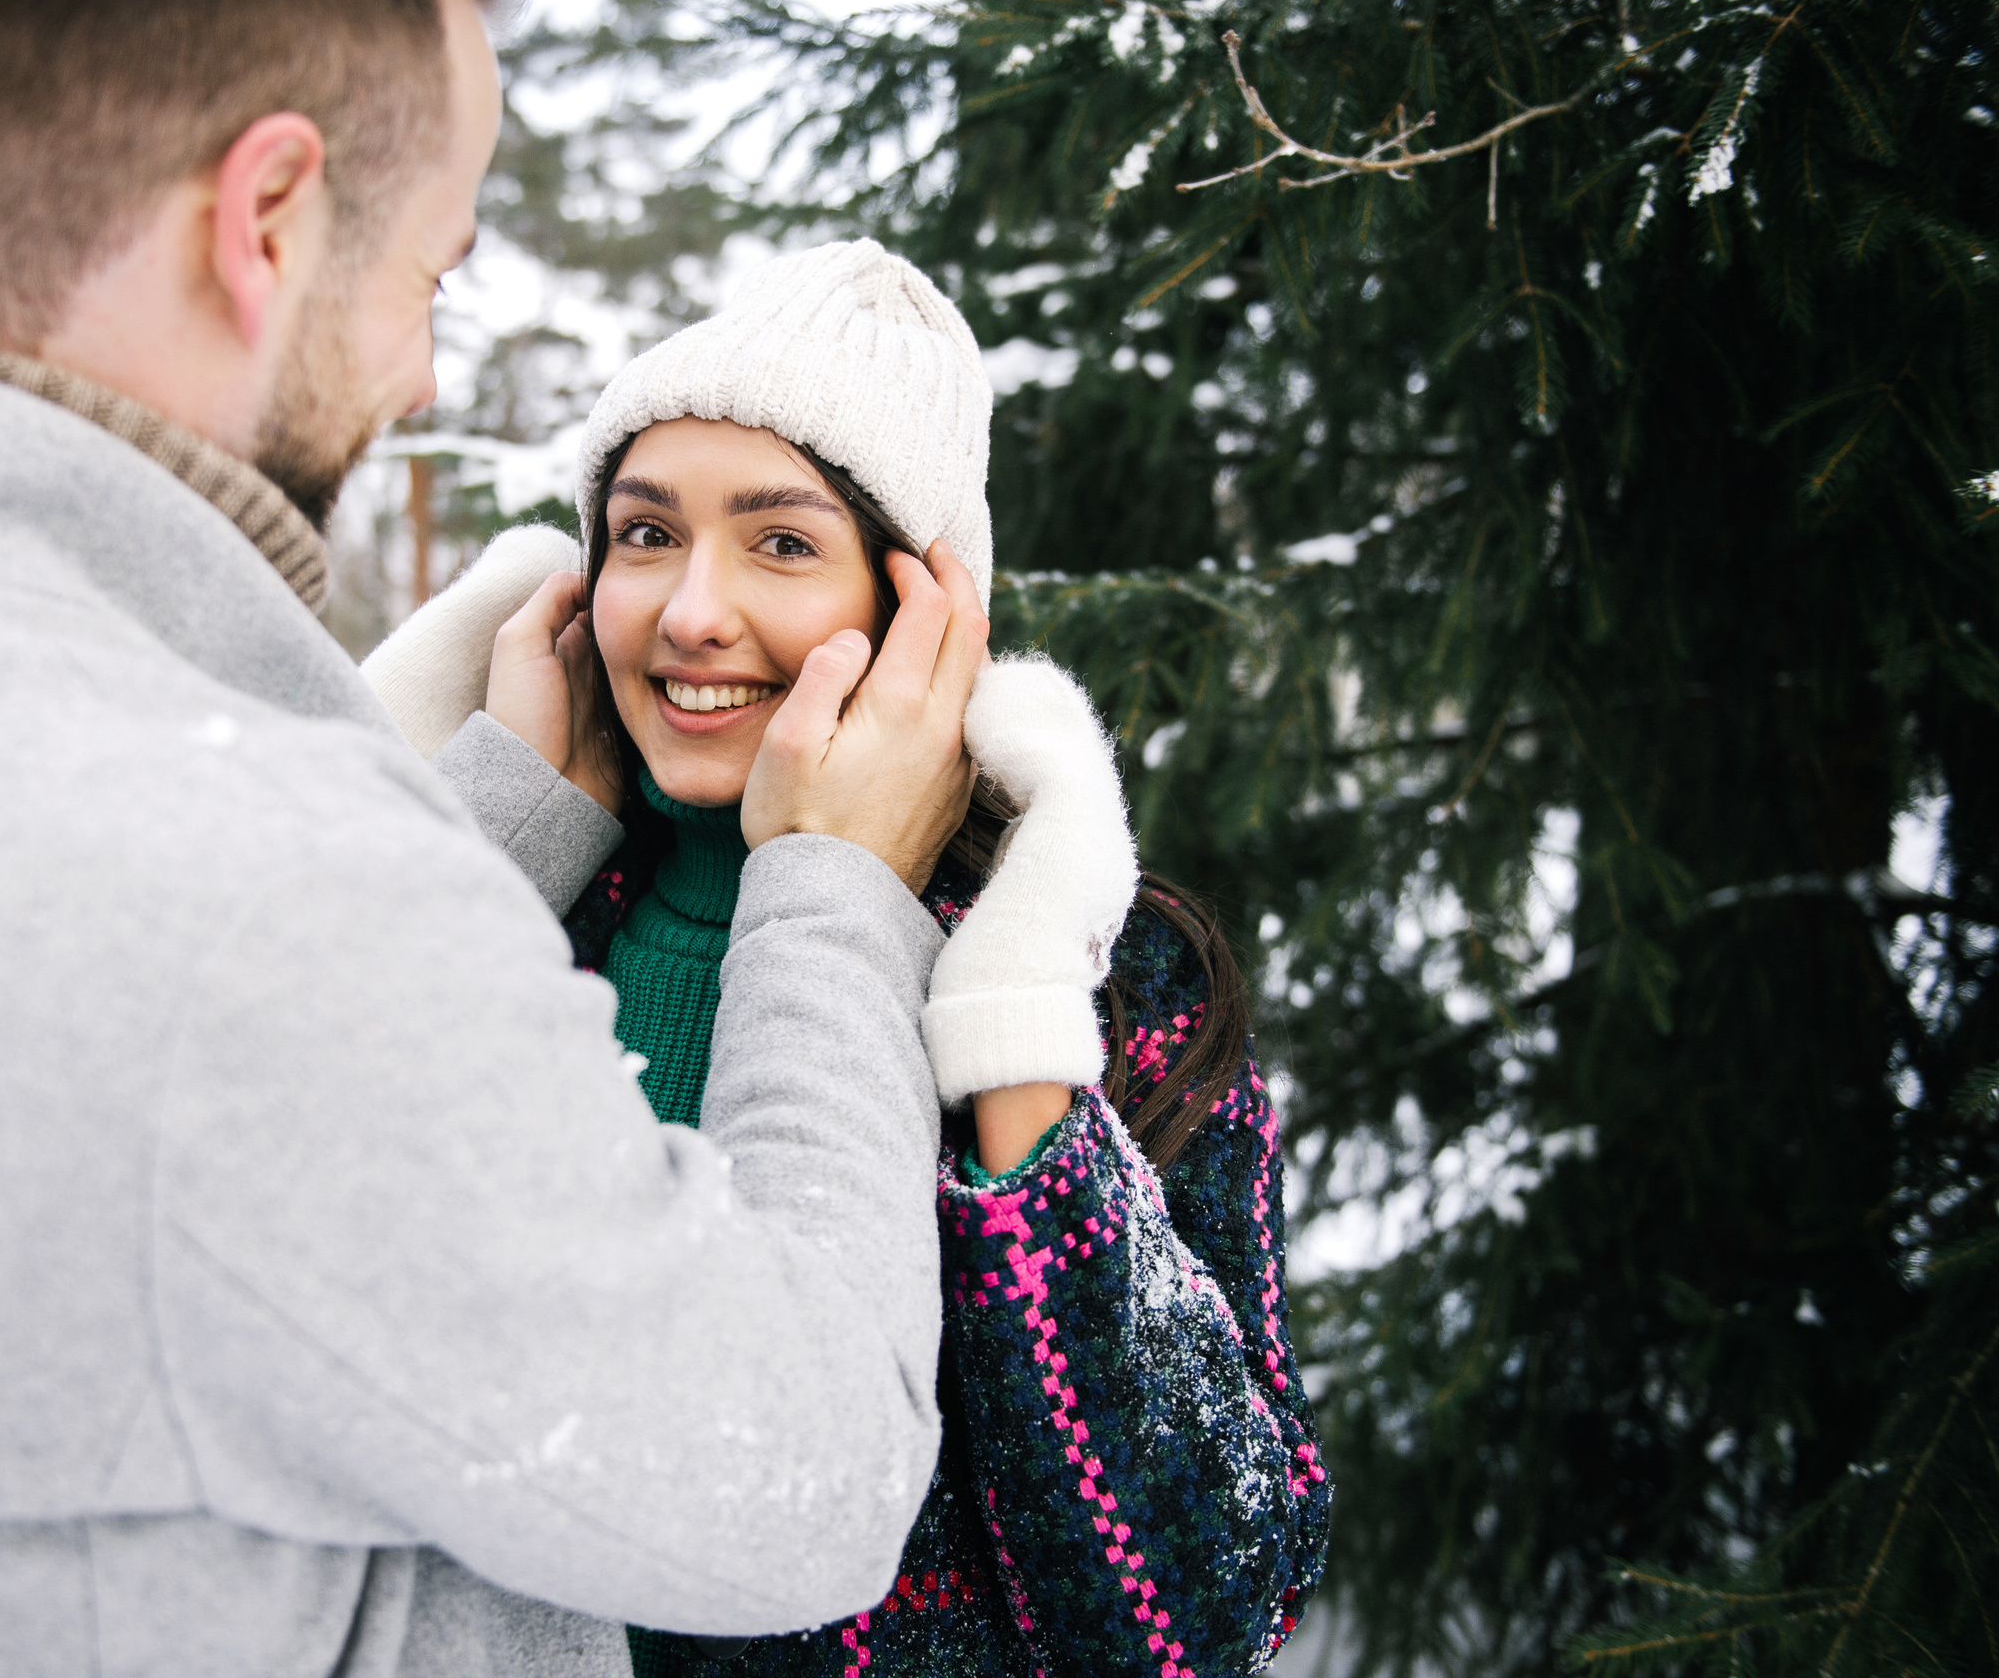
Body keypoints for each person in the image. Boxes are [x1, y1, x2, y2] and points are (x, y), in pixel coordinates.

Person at [0, 0, 997, 1675]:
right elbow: (808, 1468)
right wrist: (836, 891)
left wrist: (477, 829)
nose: (416, 367)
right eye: (432, 270)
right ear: (269, 216)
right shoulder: (262, 900)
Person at [364, 241, 1332, 1675]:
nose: (691, 610)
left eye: (782, 543)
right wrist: (500, 837)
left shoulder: (1095, 975)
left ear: (920, 613)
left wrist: (1016, 1066)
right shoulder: (534, 911)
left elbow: (1202, 1616)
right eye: (644, 533)